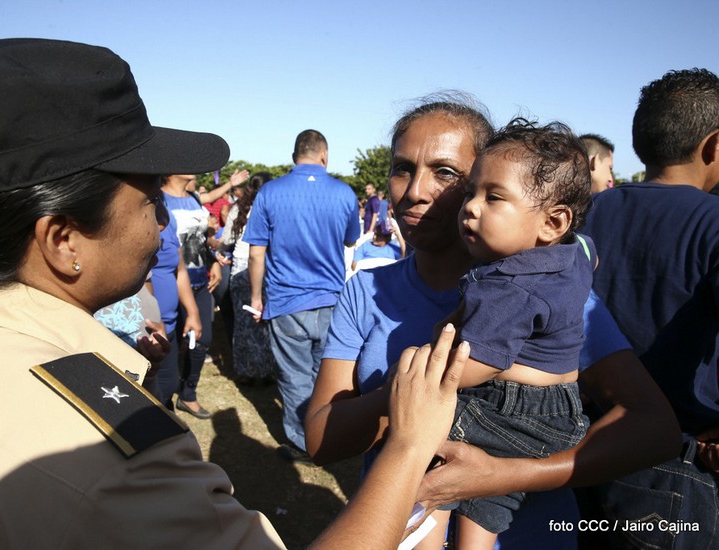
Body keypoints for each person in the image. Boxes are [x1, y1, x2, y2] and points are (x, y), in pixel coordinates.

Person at [0, 38, 476, 550]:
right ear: (64, 241)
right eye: (150, 202)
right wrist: (406, 446)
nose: (165, 227)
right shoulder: (118, 457)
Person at [305, 94, 680, 549]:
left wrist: (506, 474)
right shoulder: (366, 290)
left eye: (445, 173)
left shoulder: (546, 293)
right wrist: (409, 398)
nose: (415, 190)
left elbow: (653, 428)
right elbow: (321, 442)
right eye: (402, 167)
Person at [430, 118, 595, 548]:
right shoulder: (573, 252)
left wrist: (423, 365)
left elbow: (471, 369)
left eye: (493, 197)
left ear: (553, 223)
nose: (470, 207)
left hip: (510, 408)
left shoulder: (507, 286)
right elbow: (590, 254)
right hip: (561, 414)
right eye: (470, 193)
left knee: (425, 454)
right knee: (487, 499)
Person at [581, 68, 719, 548]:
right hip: (674, 466)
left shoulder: (583, 215)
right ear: (713, 145)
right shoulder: (713, 223)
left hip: (576, 447)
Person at [243, 129, 360, 463]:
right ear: (324, 155)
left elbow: (256, 254)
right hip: (332, 300)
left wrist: (256, 296)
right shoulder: (343, 193)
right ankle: (329, 434)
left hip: (285, 300)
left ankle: (302, 442)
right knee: (328, 375)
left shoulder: (270, 191)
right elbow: (351, 240)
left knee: (295, 377)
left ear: (296, 155)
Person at [158, 173, 225, 419]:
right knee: (170, 344)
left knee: (203, 339)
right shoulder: (157, 198)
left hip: (199, 281)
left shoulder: (194, 198)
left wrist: (213, 262)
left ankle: (188, 394)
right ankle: (164, 399)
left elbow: (200, 239)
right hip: (169, 282)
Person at [221, 172, 277, 384]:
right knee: (264, 322)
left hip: (241, 269)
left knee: (243, 324)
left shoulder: (239, 209)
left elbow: (227, 239)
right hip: (267, 269)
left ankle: (246, 371)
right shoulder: (274, 208)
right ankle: (265, 371)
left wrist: (216, 247)